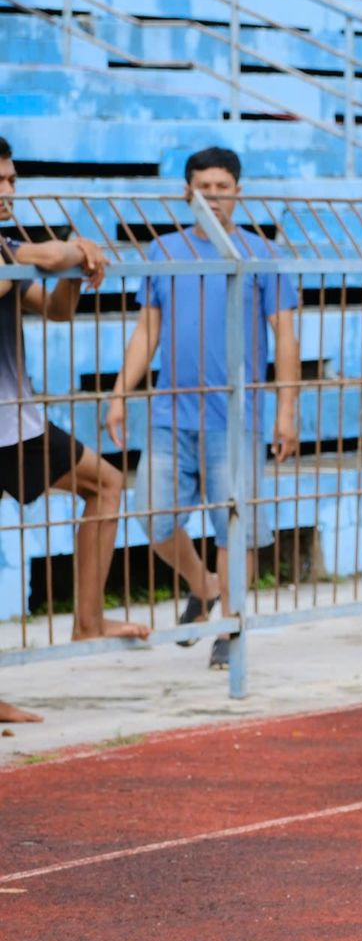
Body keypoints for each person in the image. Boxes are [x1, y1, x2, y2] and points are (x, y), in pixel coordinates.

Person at [107, 147, 298, 670]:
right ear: (185, 192)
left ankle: (229, 628)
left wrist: (287, 408)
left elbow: (285, 334)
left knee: (233, 523)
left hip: (237, 418)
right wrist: (120, 393)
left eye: (222, 186)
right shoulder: (164, 252)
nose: (213, 196)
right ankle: (203, 586)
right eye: (203, 187)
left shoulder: (261, 254)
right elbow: (148, 329)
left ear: (238, 191)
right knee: (152, 512)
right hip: (172, 414)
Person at [0, 136, 148, 646]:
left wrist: (74, 274)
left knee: (106, 484)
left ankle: (88, 623)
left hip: (14, 425)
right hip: (7, 426)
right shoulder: (11, 250)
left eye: (11, 180)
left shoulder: (9, 250)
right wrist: (74, 249)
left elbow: (56, 310)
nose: (7, 190)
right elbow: (48, 251)